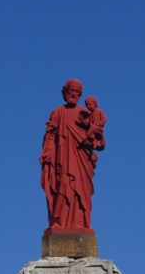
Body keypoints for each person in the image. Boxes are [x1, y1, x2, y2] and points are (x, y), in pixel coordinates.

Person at [40, 80, 106, 231]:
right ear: (65, 92)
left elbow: (98, 138)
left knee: (82, 191)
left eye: (77, 92)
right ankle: (58, 221)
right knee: (63, 185)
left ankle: (80, 223)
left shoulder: (86, 113)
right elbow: (50, 136)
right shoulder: (57, 112)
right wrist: (48, 151)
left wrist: (97, 135)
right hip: (63, 158)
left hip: (82, 159)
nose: (74, 94)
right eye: (72, 91)